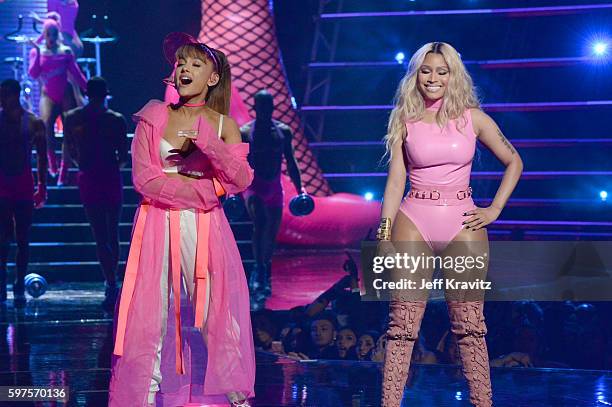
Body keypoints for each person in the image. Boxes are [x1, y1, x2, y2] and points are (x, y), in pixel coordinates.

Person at [108, 32, 255, 407]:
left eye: (195, 63)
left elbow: (239, 179)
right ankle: (142, 396)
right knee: (150, 315)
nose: (184, 68)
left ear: (213, 77)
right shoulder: (153, 115)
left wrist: (208, 143)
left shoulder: (222, 125)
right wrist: (204, 193)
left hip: (205, 228)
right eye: (180, 62)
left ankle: (238, 395)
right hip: (157, 221)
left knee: (212, 311)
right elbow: (145, 178)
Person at [377, 42, 523, 407]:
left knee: (470, 326)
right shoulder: (403, 118)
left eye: (442, 71)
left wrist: (495, 209)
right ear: (415, 74)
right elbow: (396, 181)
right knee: (402, 328)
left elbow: (514, 161)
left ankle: (482, 403)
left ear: (453, 75)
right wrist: (383, 232)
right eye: (426, 70)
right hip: (413, 219)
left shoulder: (474, 118)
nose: (433, 78)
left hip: (464, 222)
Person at [63, 77, 128, 311]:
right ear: (105, 94)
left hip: (91, 176)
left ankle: (111, 283)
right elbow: (123, 155)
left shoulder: (73, 118)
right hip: (107, 176)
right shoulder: (114, 120)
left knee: (102, 234)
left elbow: (71, 149)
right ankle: (112, 283)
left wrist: (83, 162)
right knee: (112, 232)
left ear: (87, 93)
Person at [240, 90, 304, 297]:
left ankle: (264, 268)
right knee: (260, 223)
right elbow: (236, 163)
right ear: (256, 107)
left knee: (272, 231)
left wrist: (300, 189)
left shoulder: (283, 132)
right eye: (261, 106)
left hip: (275, 187)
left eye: (268, 106)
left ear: (272, 107)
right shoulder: (245, 132)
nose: (265, 110)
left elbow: (291, 162)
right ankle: (258, 269)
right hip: (254, 186)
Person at [0, 79, 47, 307]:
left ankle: (19, 282)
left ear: (14, 95)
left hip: (22, 185)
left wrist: (42, 186)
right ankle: (2, 283)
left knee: (22, 238)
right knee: (3, 238)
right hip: (3, 185)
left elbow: (41, 156)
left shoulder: (32, 122)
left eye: (4, 94)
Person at [28, 18, 87, 184]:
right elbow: (32, 74)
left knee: (68, 130)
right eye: (48, 33)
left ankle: (64, 168)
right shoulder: (37, 52)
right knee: (46, 126)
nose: (52, 37)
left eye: (54, 33)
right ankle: (51, 159)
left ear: (57, 34)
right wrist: (38, 53)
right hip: (47, 94)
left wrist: (89, 89)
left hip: (65, 93)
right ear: (44, 34)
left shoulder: (65, 51)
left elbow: (76, 74)